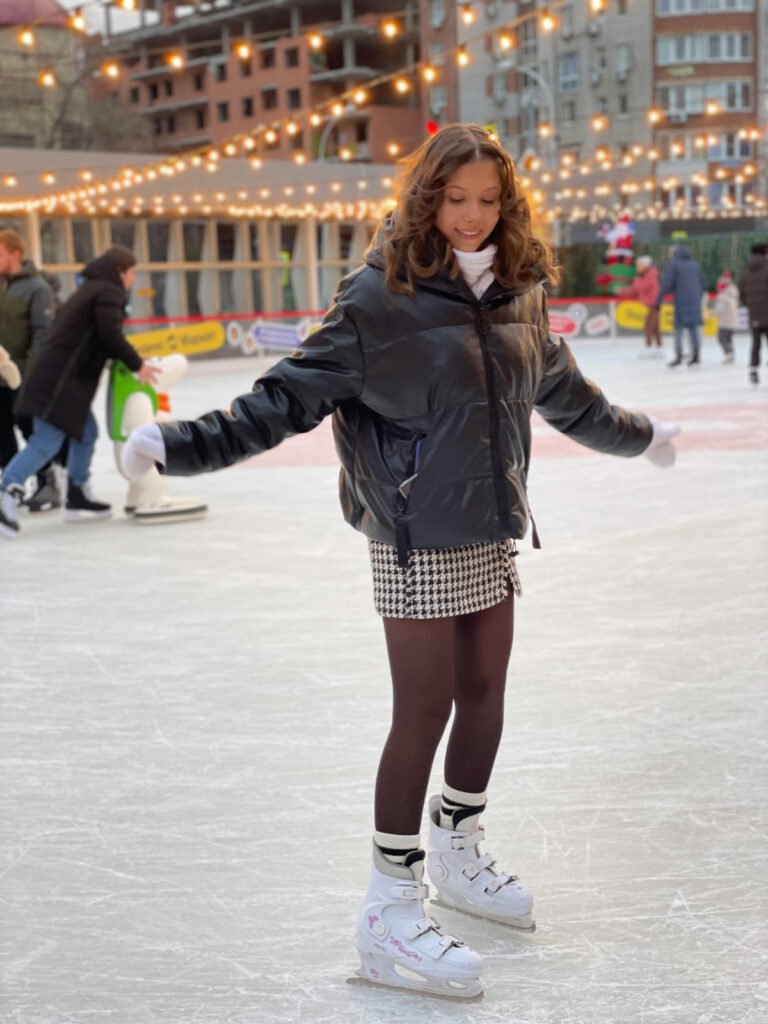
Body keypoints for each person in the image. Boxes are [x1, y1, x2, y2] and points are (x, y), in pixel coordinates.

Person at [121, 125, 680, 1000]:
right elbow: (284, 398)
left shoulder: (517, 294)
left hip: (490, 523)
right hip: (414, 534)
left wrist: (646, 437)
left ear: (509, 204)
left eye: (489, 200)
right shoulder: (379, 299)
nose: (471, 216)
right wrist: (176, 442)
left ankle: (457, 850)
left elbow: (567, 397)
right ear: (427, 198)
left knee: (486, 697)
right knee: (421, 710)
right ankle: (387, 909)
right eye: (455, 198)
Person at [0, 247, 159, 538]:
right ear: (121, 270)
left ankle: (77, 493)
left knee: (86, 432)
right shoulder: (108, 292)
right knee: (46, 442)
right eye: (133, 272)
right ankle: (6, 491)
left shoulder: (92, 290)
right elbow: (111, 335)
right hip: (59, 384)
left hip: (62, 381)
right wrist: (139, 365)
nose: (134, 279)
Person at [0, 229, 56, 498]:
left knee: (30, 430)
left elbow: (42, 334)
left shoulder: (36, 288)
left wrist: (32, 376)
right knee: (1, 435)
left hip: (23, 376)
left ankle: (47, 482)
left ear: (15, 254)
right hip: (0, 375)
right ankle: (12, 484)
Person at [653, 244, 706, 368]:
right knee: (694, 329)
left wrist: (658, 301)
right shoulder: (695, 265)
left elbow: (667, 283)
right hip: (695, 301)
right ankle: (696, 355)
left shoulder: (673, 265)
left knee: (678, 329)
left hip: (681, 301)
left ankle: (679, 355)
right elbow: (703, 284)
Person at [617, 254, 662, 356]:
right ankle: (659, 348)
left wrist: (636, 280)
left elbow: (642, 287)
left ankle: (649, 347)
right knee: (655, 328)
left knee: (648, 327)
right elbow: (634, 289)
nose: (637, 267)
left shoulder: (651, 274)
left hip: (654, 304)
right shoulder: (643, 276)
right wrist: (623, 291)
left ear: (645, 266)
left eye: (639, 265)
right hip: (651, 304)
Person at [738, 242, 768, 386]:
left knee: (756, 344)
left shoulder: (746, 273)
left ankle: (753, 369)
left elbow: (742, 295)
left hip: (754, 314)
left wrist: (751, 306)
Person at [712, 271, 739, 365]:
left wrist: (712, 313)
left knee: (721, 339)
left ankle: (728, 354)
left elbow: (719, 309)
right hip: (733, 321)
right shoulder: (733, 292)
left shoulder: (722, 296)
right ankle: (731, 353)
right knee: (729, 339)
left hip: (724, 322)